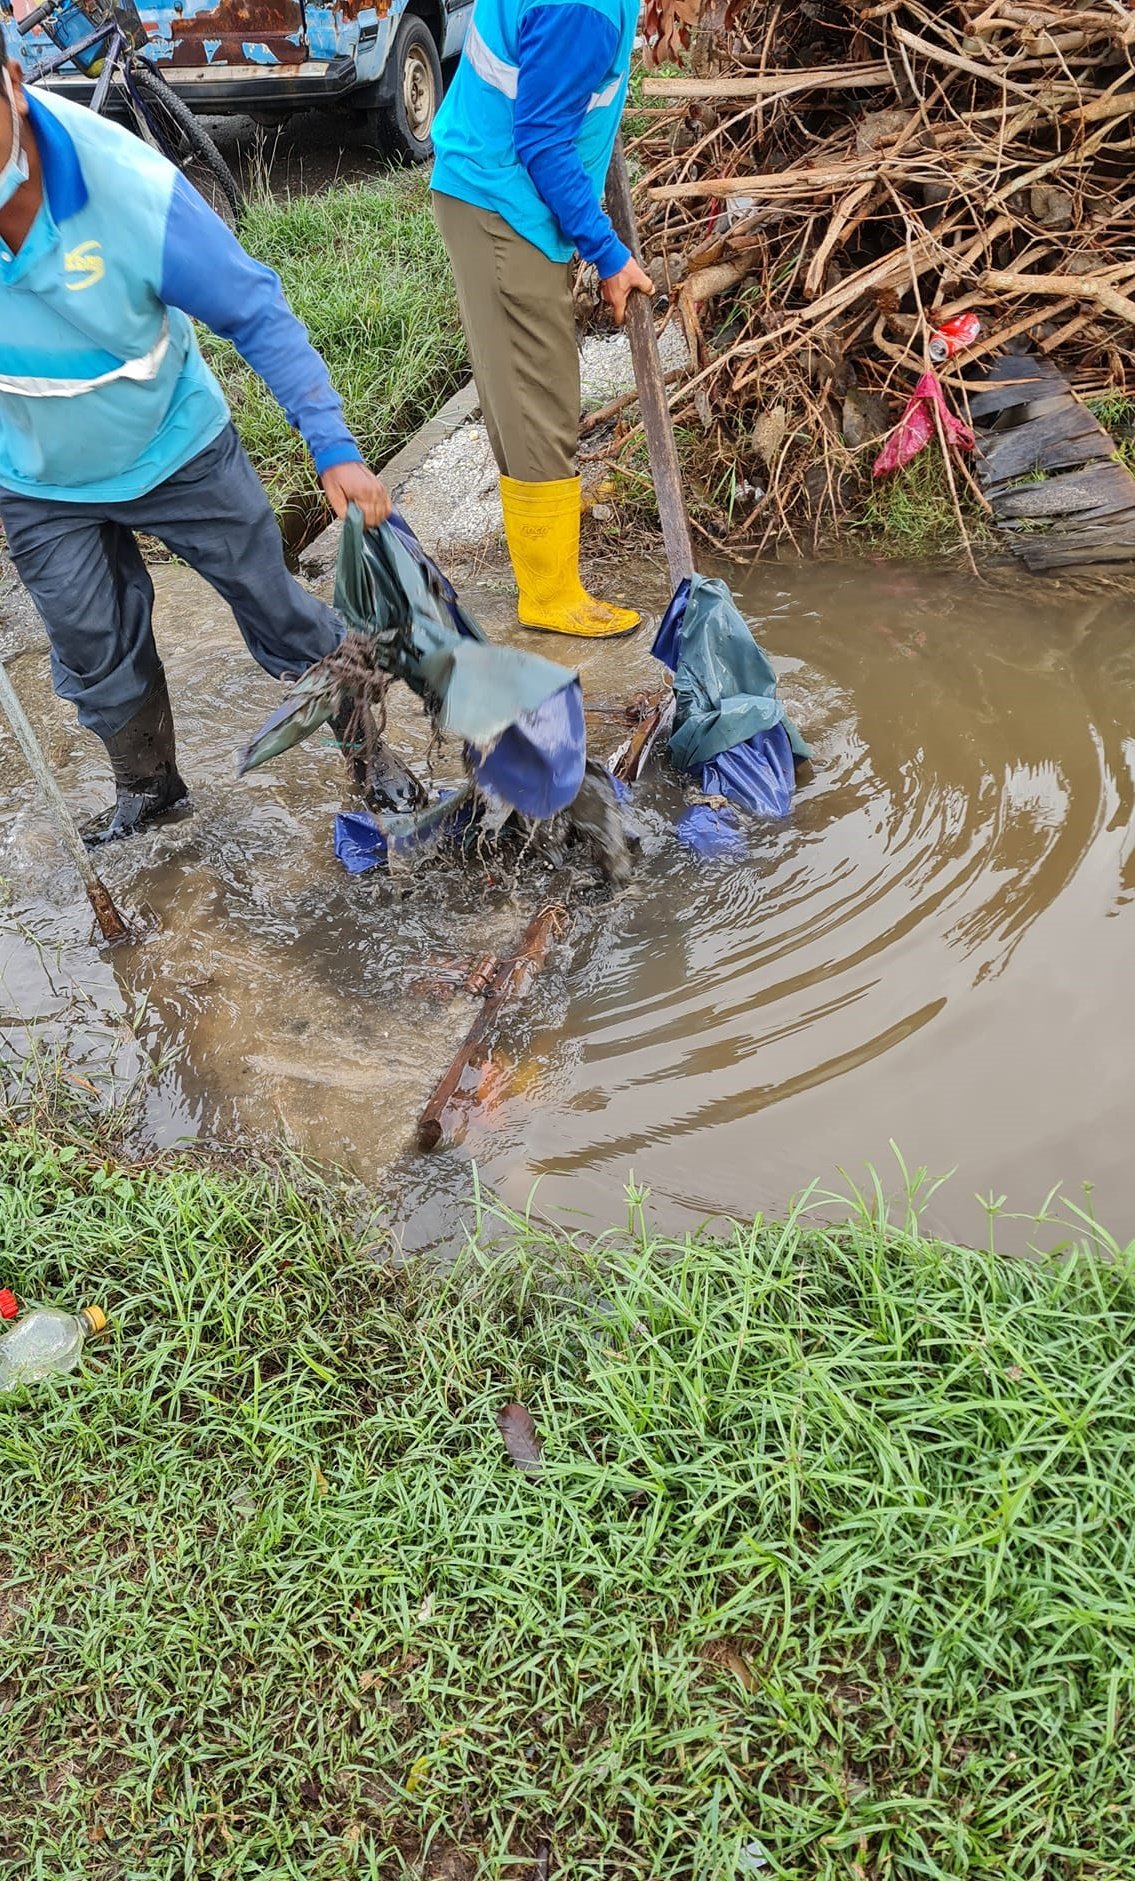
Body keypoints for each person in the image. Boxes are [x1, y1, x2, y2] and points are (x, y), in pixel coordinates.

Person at [0, 61, 395, 847]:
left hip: (175, 445)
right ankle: (149, 793)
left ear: (10, 81)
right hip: (34, 474)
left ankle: (373, 761)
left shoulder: (129, 189)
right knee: (90, 645)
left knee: (277, 610)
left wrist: (333, 445)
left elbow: (253, 309)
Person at [431, 0, 653, 641]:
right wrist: (609, 255)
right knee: (537, 402)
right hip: (503, 201)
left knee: (529, 390)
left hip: (493, 187)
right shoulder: (583, 11)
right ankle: (550, 595)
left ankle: (546, 548)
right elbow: (543, 138)